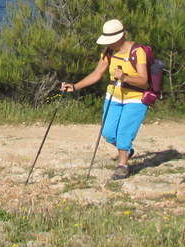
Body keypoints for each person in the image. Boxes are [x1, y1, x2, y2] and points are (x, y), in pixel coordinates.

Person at [61, 19, 149, 180]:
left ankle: (123, 165)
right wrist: (75, 87)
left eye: (113, 40)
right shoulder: (108, 52)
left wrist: (125, 78)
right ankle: (127, 151)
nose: (111, 44)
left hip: (136, 99)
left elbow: (144, 81)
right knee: (109, 133)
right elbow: (96, 74)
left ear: (123, 36)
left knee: (123, 134)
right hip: (113, 97)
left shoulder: (138, 52)